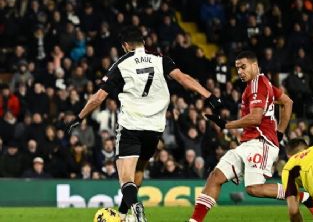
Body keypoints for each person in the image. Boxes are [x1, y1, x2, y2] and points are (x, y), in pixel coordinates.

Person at [65, 26, 221, 222]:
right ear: (144, 43)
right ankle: (123, 215)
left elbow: (98, 98)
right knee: (139, 169)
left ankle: (136, 208)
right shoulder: (160, 59)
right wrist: (209, 96)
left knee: (125, 176)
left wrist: (79, 117)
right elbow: (183, 79)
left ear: (125, 46)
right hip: (155, 128)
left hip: (131, 125)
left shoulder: (121, 64)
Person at [189, 51, 313, 222]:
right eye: (237, 69)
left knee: (254, 189)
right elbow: (287, 102)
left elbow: (256, 118)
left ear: (255, 65)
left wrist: (227, 125)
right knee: (216, 177)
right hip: (248, 143)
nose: (240, 72)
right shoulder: (261, 85)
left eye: (243, 67)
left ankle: (304, 197)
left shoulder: (258, 85)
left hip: (261, 143)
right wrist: (279, 132)